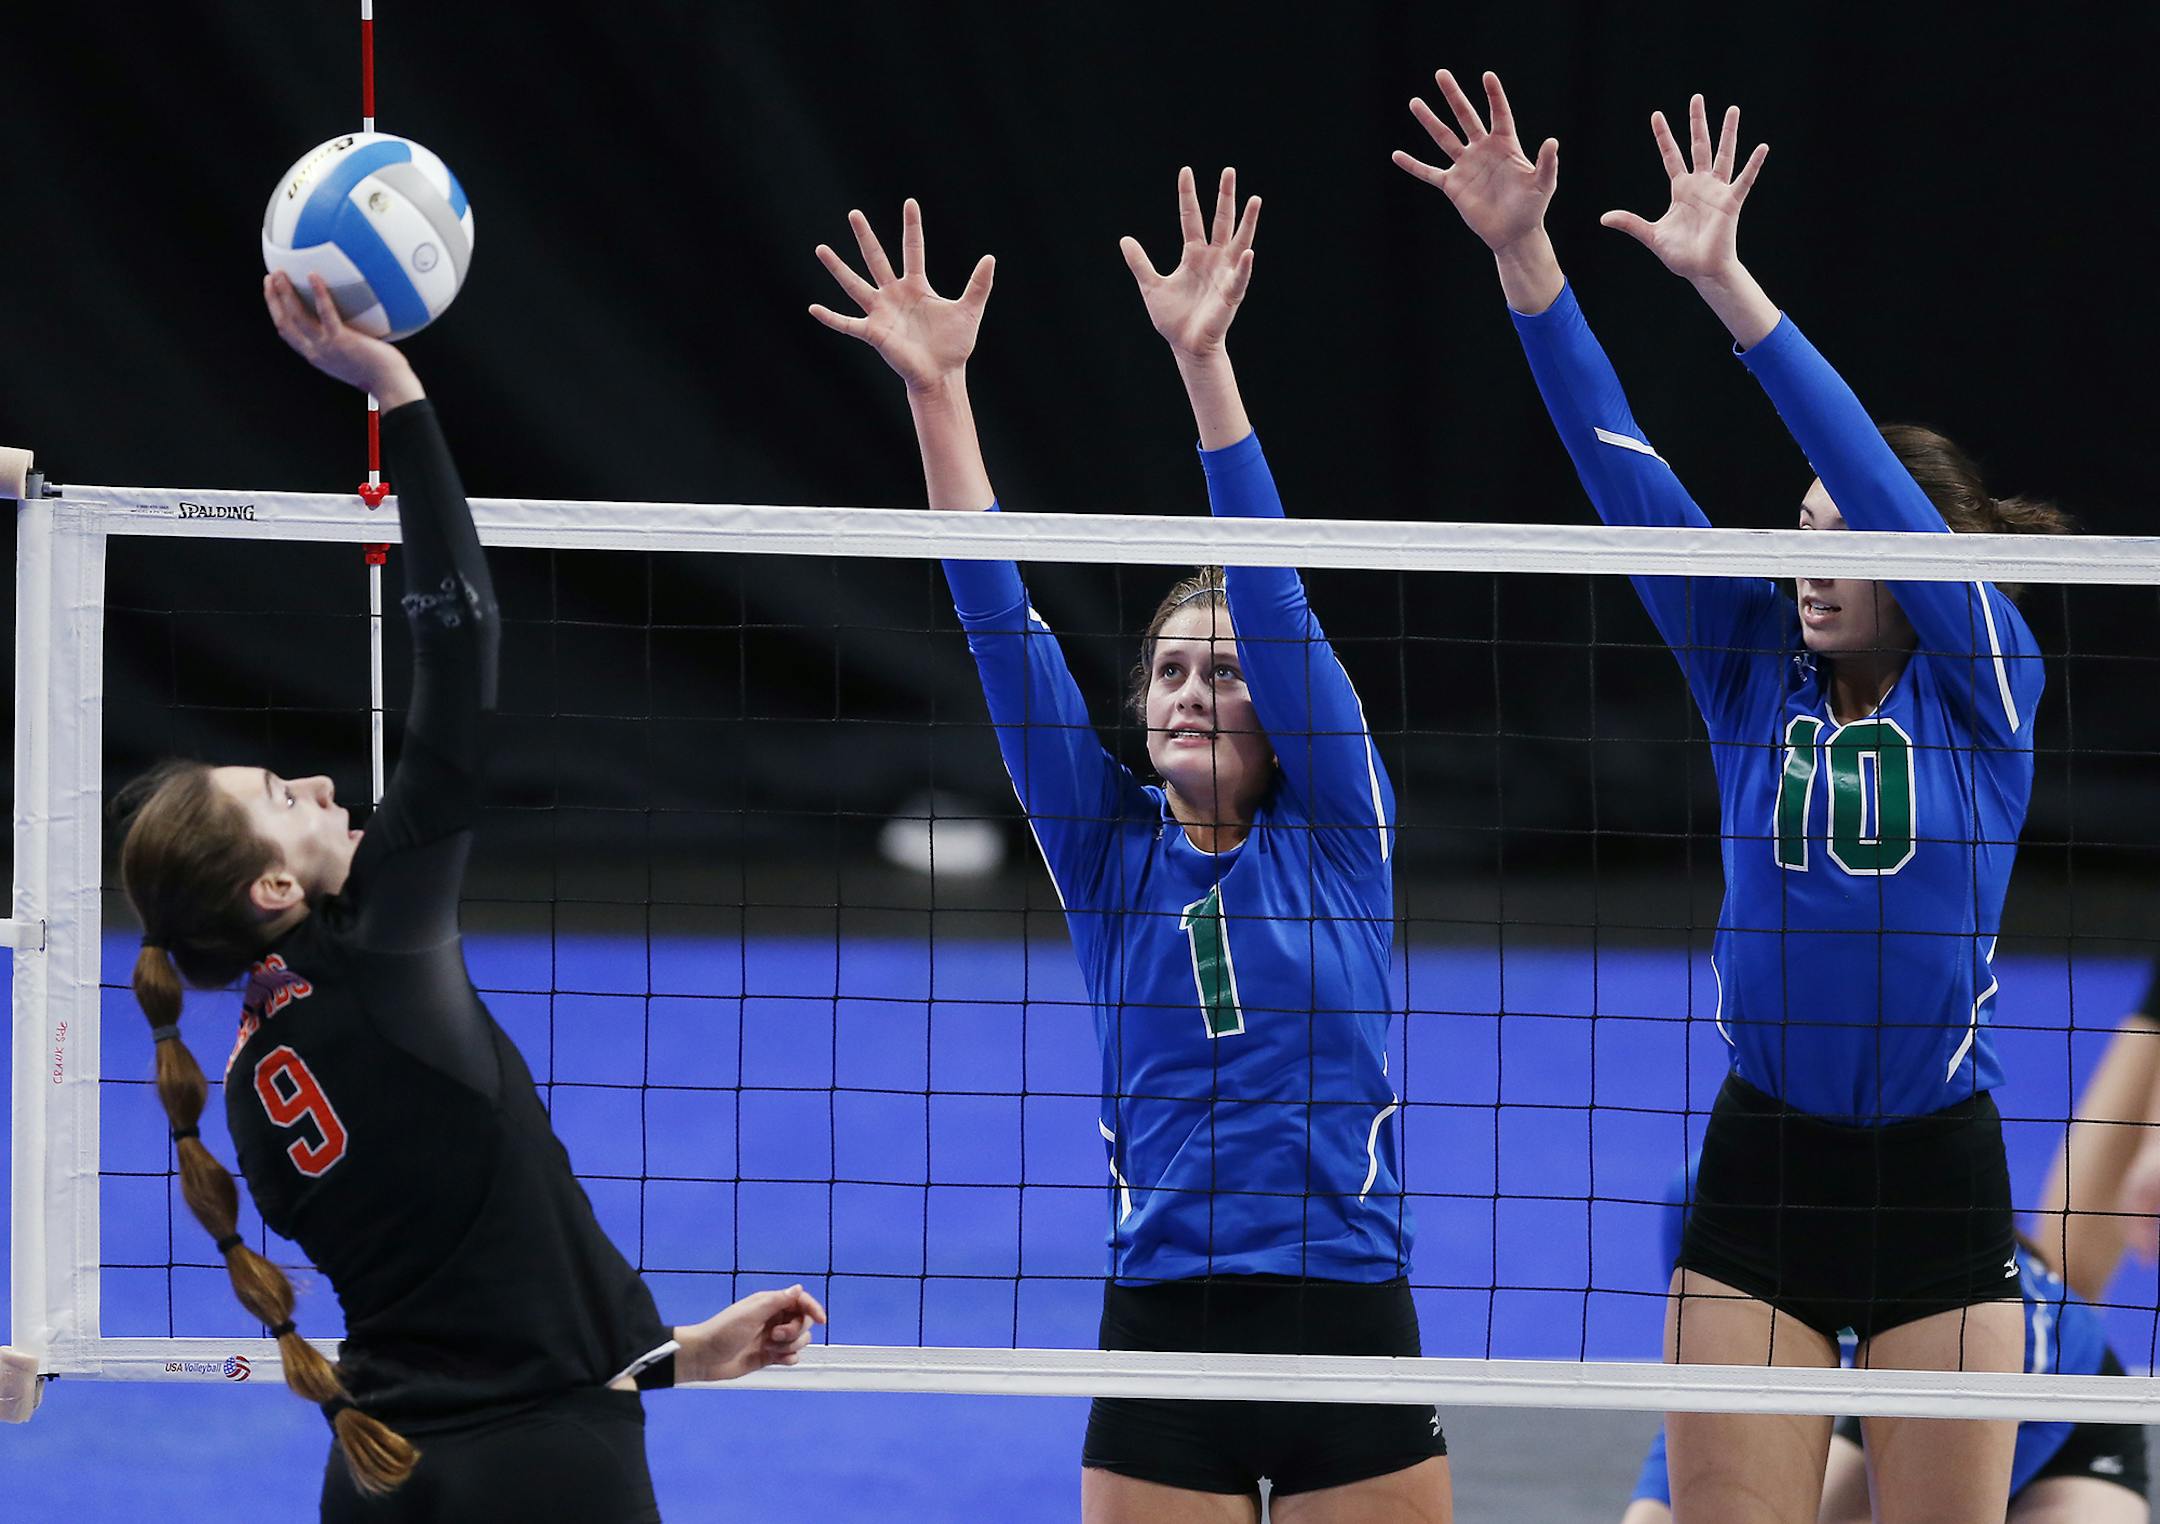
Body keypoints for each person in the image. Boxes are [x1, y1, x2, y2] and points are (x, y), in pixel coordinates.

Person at [1396, 69, 2072, 1523]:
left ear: (1922, 555)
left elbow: (1872, 488)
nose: (1809, 557)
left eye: (1843, 531)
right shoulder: (1745, 667)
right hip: (1763, 1173)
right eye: (1799, 529)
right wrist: (1528, 260)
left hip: (1944, 1191)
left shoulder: (1989, 679)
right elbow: (1619, 467)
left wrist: (1730, 287)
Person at [112, 271, 826, 1523]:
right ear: (274, 883)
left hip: (387, 1473)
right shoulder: (378, 956)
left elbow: (467, 1282)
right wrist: (396, 386)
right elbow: (462, 649)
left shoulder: (237, 1082)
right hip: (540, 1474)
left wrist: (677, 1353)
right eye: (286, 791)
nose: (327, 784)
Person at [809, 175, 1450, 1522]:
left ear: (1283, 715)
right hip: (1161, 1326)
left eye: (1223, 674)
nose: (1188, 694)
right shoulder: (1109, 860)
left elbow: (1271, 591)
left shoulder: (1341, 834)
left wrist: (1204, 362)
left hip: (1345, 1315)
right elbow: (999, 624)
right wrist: (938, 392)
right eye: (1166, 672)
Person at [1620, 1155, 2149, 1524]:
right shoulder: (1710, 1199)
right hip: (1895, 1401)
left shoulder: (1943, 1249)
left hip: (2055, 1418)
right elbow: (1709, 1394)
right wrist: (1649, 1510)